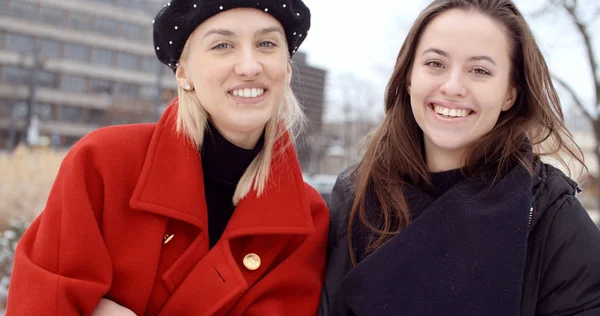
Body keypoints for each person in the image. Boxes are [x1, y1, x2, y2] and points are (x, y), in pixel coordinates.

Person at [6, 1, 329, 315]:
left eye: (266, 43)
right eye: (222, 46)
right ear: (183, 73)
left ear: (286, 68)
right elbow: (41, 301)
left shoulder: (306, 216)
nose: (249, 66)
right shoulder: (104, 162)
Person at [319, 0, 600, 315]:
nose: (452, 87)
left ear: (510, 92)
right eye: (435, 64)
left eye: (479, 70)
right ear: (409, 76)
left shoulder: (551, 215)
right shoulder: (354, 196)